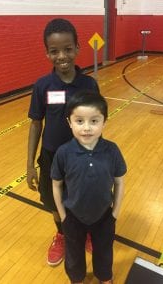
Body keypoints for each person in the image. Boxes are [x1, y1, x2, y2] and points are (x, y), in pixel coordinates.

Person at [27, 18, 99, 266]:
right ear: (47, 53)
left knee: (85, 197)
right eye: (55, 51)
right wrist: (29, 165)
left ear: (78, 48)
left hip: (83, 156)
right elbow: (36, 123)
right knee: (53, 201)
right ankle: (61, 233)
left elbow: (97, 122)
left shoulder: (89, 84)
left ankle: (86, 231)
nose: (62, 56)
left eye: (68, 49)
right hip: (51, 158)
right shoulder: (43, 86)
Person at [51, 90, 127, 284]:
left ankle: (105, 277)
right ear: (69, 122)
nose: (86, 128)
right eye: (79, 121)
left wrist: (115, 214)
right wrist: (63, 215)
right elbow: (56, 184)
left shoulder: (112, 150)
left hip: (103, 216)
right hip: (73, 216)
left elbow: (119, 182)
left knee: (104, 251)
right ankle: (76, 279)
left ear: (104, 122)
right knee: (74, 253)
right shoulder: (64, 153)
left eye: (94, 121)